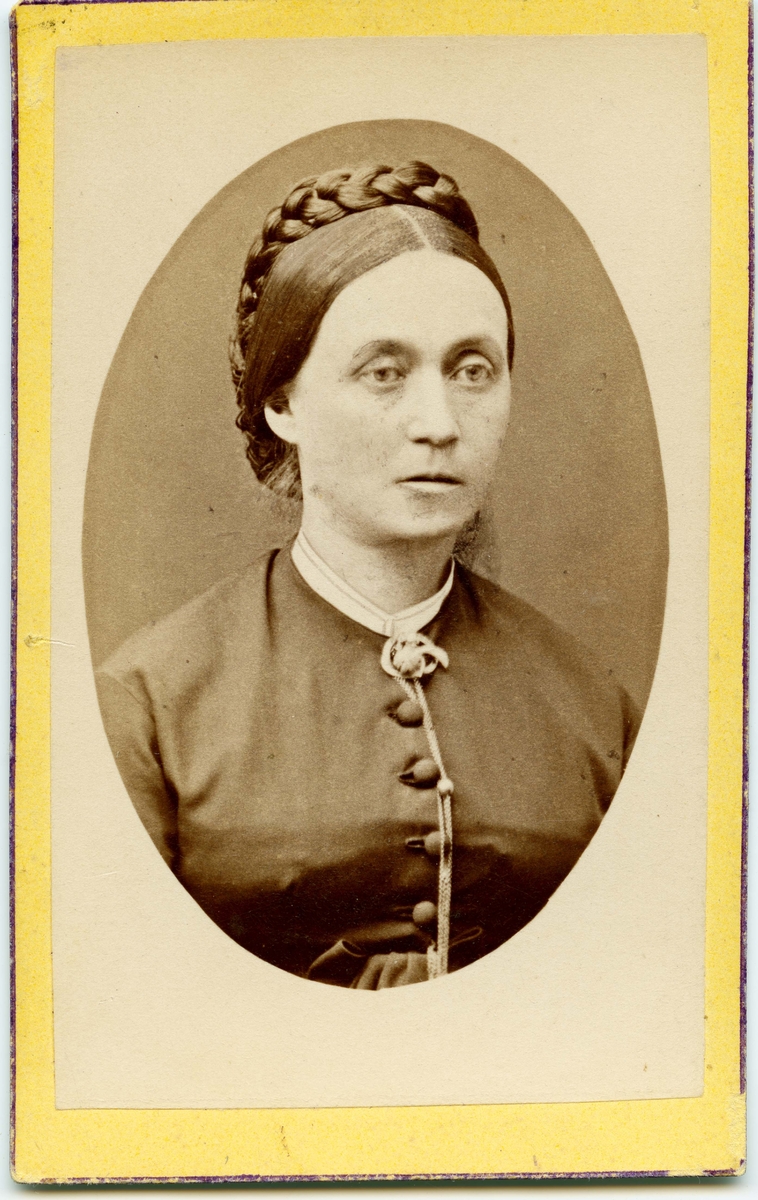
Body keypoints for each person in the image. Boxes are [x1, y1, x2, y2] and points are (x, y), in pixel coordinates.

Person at [95, 161, 640, 990]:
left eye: (472, 370)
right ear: (282, 402)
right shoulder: (149, 706)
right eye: (383, 372)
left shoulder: (592, 706)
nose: (439, 424)